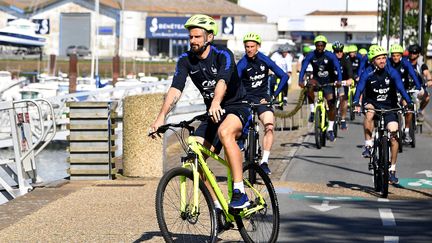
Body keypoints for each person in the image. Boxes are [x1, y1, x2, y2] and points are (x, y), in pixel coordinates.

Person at [150, 14, 251, 209]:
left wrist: (215, 102)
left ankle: (240, 192)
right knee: (194, 158)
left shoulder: (223, 54)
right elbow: (176, 88)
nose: (193, 41)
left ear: (209, 37)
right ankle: (217, 207)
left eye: (197, 37)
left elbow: (222, 80)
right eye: (191, 37)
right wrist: (161, 116)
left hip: (237, 106)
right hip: (213, 112)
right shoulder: (185, 60)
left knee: (225, 133)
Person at [353, 45, 413, 184]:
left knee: (394, 134)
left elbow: (401, 88)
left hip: (389, 106)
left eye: (384, 58)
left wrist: (408, 102)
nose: (382, 60)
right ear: (373, 60)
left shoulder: (391, 72)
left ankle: (392, 169)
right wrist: (356, 102)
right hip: (372, 103)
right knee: (369, 113)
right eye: (379, 58)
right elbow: (359, 88)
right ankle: (368, 145)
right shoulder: (367, 73)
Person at [237, 32, 289, 175]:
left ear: (258, 46)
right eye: (247, 46)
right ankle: (242, 140)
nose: (249, 49)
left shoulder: (265, 60)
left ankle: (265, 161)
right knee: (239, 122)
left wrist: (273, 95)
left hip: (262, 98)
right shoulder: (242, 63)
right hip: (246, 98)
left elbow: (284, 76)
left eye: (252, 46)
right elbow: (233, 82)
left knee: (269, 125)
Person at [298, 35, 342, 141]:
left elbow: (338, 68)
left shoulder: (330, 55)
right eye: (318, 45)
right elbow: (303, 68)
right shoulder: (310, 55)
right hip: (317, 80)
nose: (320, 47)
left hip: (329, 81)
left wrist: (339, 80)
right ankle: (313, 111)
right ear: (315, 45)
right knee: (309, 87)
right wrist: (300, 80)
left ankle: (330, 128)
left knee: (331, 104)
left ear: (325, 46)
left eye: (322, 45)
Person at [388, 44, 422, 143]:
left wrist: (418, 86)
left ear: (401, 56)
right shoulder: (388, 63)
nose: (395, 58)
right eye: (393, 55)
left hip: (404, 91)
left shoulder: (405, 63)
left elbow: (412, 74)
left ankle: (406, 131)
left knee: (408, 108)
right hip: (392, 91)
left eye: (398, 55)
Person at [407, 44, 432, 122]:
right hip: (404, 88)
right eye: (410, 52)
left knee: (427, 97)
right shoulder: (405, 63)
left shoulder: (421, 64)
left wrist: (429, 80)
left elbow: (426, 72)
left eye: (414, 53)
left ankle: (420, 110)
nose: (412, 54)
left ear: (418, 54)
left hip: (417, 89)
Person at [332, 41, 354, 130]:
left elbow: (349, 70)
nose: (339, 53)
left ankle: (343, 119)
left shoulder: (346, 58)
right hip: (332, 81)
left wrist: (350, 79)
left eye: (341, 51)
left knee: (343, 98)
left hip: (342, 82)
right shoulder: (331, 58)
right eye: (337, 51)